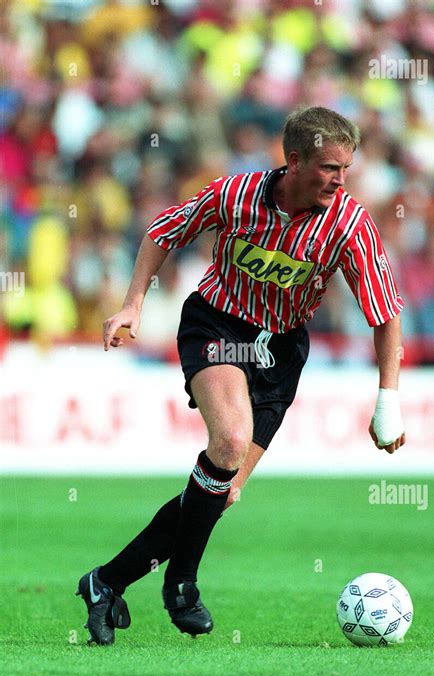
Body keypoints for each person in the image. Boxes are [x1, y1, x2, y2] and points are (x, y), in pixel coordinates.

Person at [76, 106, 406, 645]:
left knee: (221, 492)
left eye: (346, 169)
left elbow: (386, 315)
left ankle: (105, 582)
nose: (339, 180)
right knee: (228, 443)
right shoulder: (236, 195)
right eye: (329, 168)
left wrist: (387, 400)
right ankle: (181, 583)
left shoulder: (349, 224)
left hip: (280, 351)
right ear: (294, 161)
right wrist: (133, 303)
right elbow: (163, 230)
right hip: (217, 323)